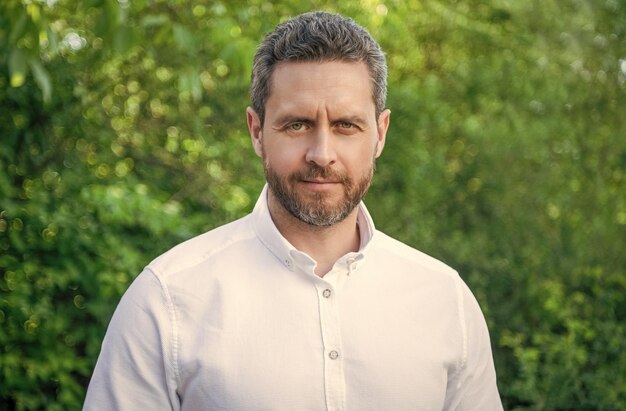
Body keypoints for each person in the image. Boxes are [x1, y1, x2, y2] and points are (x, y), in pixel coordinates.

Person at [84, 11, 503, 410]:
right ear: (256, 131)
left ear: (380, 133)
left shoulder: (444, 300)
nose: (322, 155)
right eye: (297, 125)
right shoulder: (167, 300)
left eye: (346, 126)